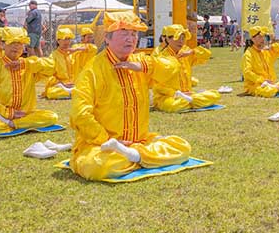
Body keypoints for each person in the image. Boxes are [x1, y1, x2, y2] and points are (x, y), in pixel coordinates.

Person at [70, 11, 191, 181]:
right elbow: (80, 115)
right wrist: (107, 139)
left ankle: (134, 156)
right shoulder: (93, 70)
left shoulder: (139, 61)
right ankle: (143, 157)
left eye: (134, 34)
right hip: (103, 145)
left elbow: (172, 67)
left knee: (182, 147)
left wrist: (142, 65)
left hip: (139, 142)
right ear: (107, 38)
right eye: (124, 33)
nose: (130, 38)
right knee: (96, 166)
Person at [0, 27, 57, 134]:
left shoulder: (28, 64)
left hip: (25, 114)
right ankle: (12, 122)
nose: (16, 46)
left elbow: (51, 68)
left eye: (20, 43)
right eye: (12, 42)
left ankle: (11, 124)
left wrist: (25, 64)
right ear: (3, 44)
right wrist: (8, 113)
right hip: (1, 114)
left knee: (51, 117)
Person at [152, 24, 220, 112]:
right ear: (168, 39)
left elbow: (206, 55)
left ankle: (191, 101)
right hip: (169, 97)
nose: (181, 41)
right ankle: (194, 102)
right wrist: (177, 94)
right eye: (178, 38)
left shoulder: (185, 52)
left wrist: (192, 51)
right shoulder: (161, 57)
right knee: (172, 105)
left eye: (183, 38)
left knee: (215, 95)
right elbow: (157, 85)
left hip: (188, 95)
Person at [241, 26, 279, 97]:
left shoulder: (266, 51)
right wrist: (262, 81)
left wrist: (271, 46)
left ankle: (275, 88)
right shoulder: (248, 53)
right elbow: (247, 73)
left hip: (271, 84)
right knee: (269, 91)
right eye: (260, 37)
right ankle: (276, 88)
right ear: (253, 39)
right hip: (255, 86)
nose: (262, 39)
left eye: (263, 37)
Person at [43, 27, 76, 99]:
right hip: (60, 85)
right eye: (64, 39)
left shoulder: (73, 54)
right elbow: (49, 75)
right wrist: (61, 83)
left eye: (68, 39)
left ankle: (71, 93)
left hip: (74, 84)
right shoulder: (53, 56)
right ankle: (72, 93)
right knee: (51, 92)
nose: (67, 42)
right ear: (58, 41)